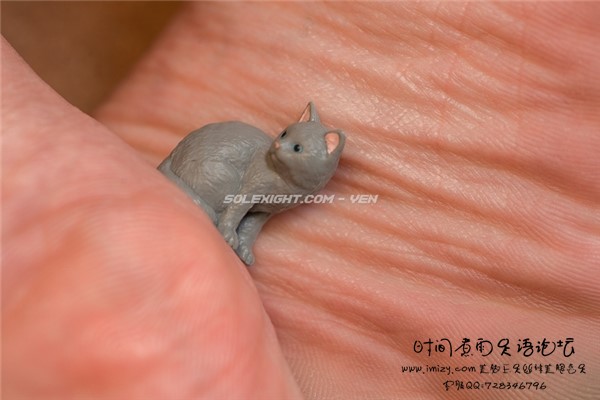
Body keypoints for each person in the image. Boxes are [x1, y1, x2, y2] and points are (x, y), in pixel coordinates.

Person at [3, 3, 599, 399]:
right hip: (207, 183)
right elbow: (243, 201)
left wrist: (243, 232)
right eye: (287, 136)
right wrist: (230, 231)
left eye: (295, 146)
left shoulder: (291, 176)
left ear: (329, 154)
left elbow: (257, 210)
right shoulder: (269, 167)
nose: (280, 146)